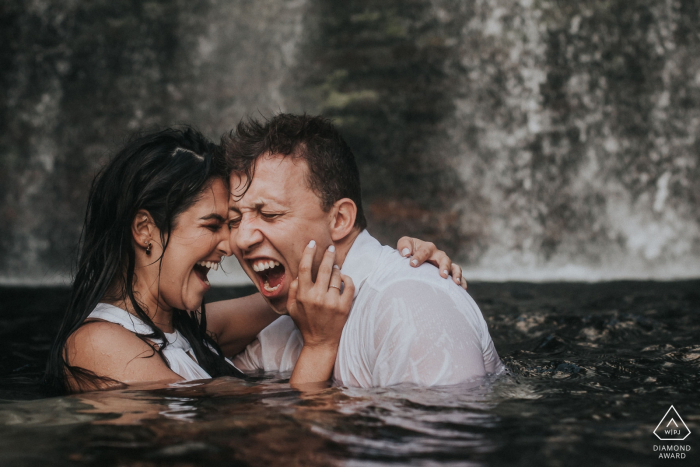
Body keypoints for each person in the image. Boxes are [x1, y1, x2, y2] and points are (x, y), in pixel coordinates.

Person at [43, 127, 464, 393]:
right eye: (215, 224)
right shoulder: (98, 344)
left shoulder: (184, 327)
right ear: (145, 231)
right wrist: (318, 348)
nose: (232, 243)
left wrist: (393, 260)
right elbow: (268, 437)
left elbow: (305, 288)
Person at [224, 114, 505, 387]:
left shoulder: (411, 305)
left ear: (340, 220)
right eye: (234, 220)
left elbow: (446, 433)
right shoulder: (278, 334)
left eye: (270, 214)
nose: (243, 238)